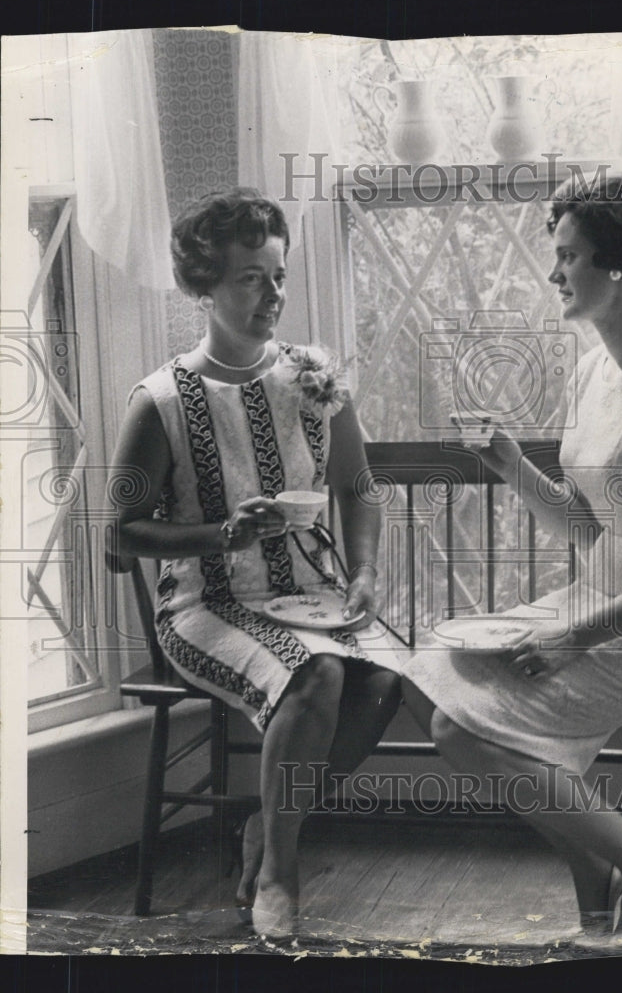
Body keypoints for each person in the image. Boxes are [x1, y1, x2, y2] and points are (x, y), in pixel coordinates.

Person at [401, 171, 622, 949]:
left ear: (617, 264)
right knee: (430, 677)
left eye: (569, 256)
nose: (555, 272)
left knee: (462, 729)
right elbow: (592, 528)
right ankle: (595, 868)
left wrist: (572, 638)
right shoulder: (598, 366)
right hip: (607, 590)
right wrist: (511, 467)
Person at [109, 188, 401, 942]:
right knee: (318, 674)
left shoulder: (313, 376)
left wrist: (364, 574)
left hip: (310, 596)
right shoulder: (161, 401)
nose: (273, 295)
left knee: (383, 678)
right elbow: (123, 533)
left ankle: (266, 827)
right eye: (250, 279)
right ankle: (280, 869)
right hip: (205, 606)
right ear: (204, 288)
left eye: (278, 276)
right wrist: (220, 536)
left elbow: (359, 487)